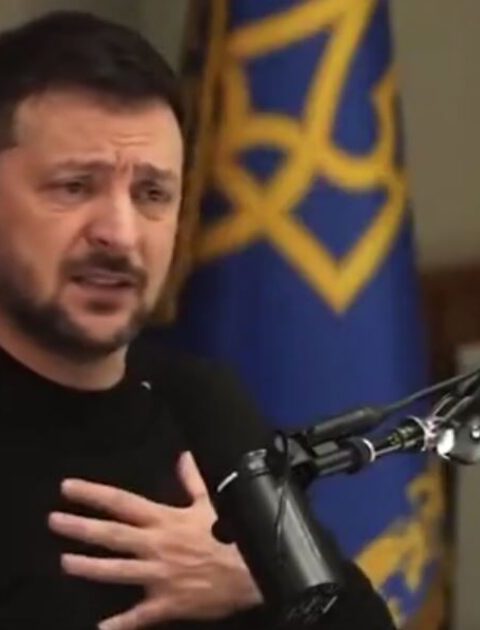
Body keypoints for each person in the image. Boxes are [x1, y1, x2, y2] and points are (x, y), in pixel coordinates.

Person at [0, 10, 396, 630]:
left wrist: (255, 579)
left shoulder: (203, 403)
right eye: (75, 187)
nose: (120, 234)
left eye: (151, 194)